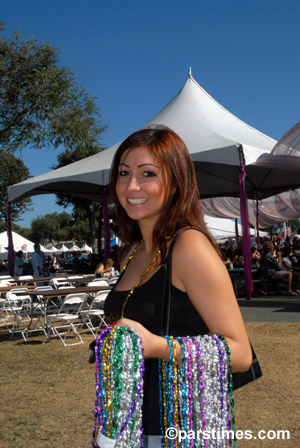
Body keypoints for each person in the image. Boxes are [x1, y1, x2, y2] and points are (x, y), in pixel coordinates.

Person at [102, 127, 252, 446]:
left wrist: (158, 346)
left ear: (175, 183)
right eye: (123, 173)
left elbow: (240, 354)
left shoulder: (188, 247)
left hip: (182, 428)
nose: (131, 186)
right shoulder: (131, 253)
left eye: (148, 173)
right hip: (127, 425)